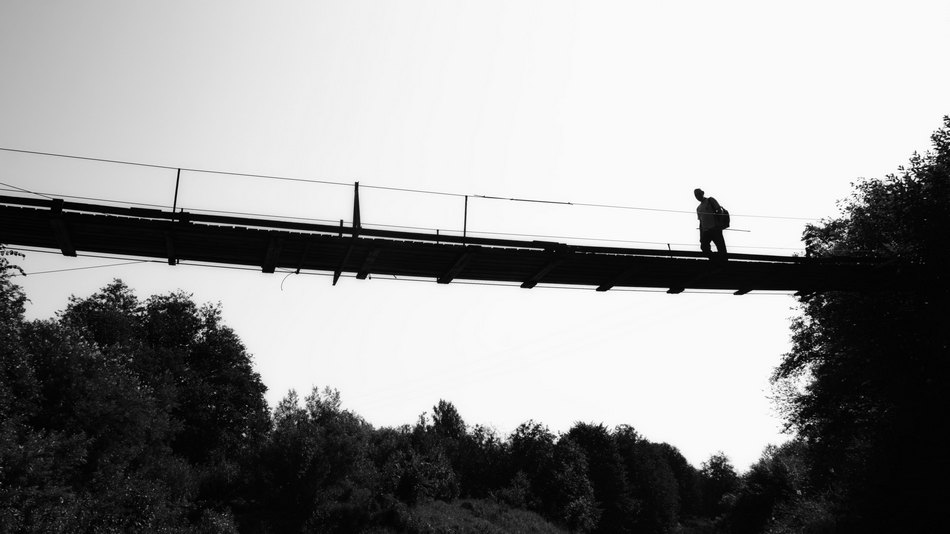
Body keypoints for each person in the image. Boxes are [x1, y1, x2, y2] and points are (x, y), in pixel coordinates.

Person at [694, 188, 727, 260]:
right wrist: (701, 235)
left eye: (698, 194)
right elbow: (700, 222)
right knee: (704, 247)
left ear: (702, 193)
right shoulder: (698, 208)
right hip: (706, 231)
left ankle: (723, 263)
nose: (697, 196)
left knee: (721, 248)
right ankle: (715, 260)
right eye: (696, 195)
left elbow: (719, 210)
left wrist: (719, 224)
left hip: (715, 229)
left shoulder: (710, 200)